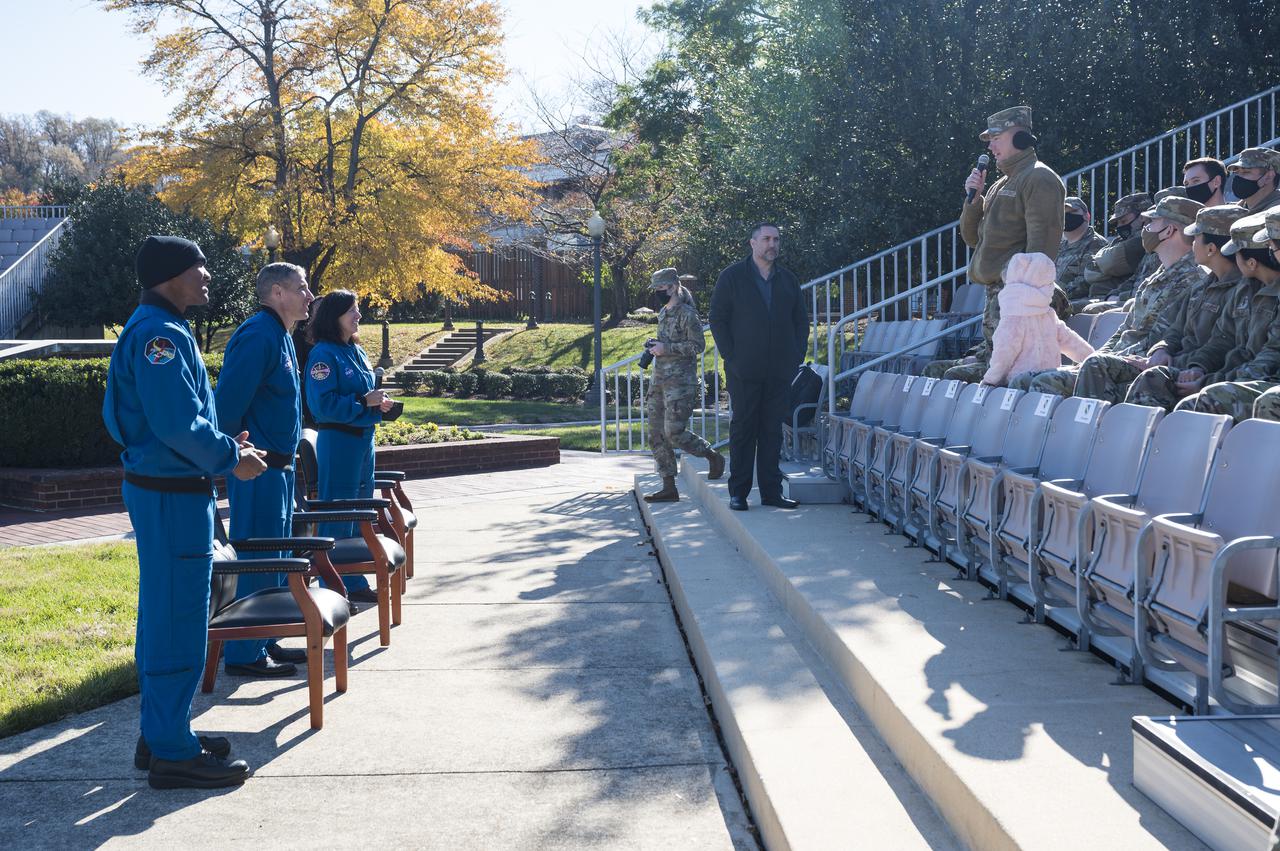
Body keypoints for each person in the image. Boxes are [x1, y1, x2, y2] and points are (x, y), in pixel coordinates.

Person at [103, 235, 266, 789]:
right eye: (199, 267)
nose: (206, 276)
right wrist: (229, 457)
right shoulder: (160, 336)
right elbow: (175, 424)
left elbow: (175, 419)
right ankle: (173, 751)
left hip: (165, 488)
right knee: (178, 619)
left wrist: (223, 443)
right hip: (172, 496)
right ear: (172, 274)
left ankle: (161, 731)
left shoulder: (157, 328)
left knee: (162, 614)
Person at [214, 262, 315, 677]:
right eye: (302, 288)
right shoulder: (258, 334)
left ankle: (264, 637)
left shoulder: (281, 335)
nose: (309, 296)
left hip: (280, 472)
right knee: (256, 558)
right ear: (277, 292)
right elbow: (227, 406)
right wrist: (233, 458)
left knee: (274, 558)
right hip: (257, 471)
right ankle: (243, 652)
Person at [1022, 195, 1204, 397]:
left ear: (1169, 230)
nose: (1145, 228)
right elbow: (1125, 329)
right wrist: (1099, 356)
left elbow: (1161, 338)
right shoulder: (1156, 276)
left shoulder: (1193, 278)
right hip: (1113, 363)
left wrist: (1100, 362)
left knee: (1046, 384)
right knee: (1023, 379)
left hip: (1140, 371)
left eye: (1151, 222)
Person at [948, 105, 1065, 383]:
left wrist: (1024, 296)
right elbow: (974, 239)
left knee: (1010, 375)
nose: (991, 147)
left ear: (1019, 137)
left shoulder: (1039, 177)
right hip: (999, 293)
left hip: (1016, 294)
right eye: (989, 142)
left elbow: (1041, 249)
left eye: (996, 139)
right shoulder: (1000, 184)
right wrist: (974, 200)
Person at [709, 222, 809, 511]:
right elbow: (717, 318)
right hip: (744, 369)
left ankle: (771, 492)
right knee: (743, 430)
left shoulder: (787, 279)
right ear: (752, 243)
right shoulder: (732, 277)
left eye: (776, 239)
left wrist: (796, 355)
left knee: (772, 432)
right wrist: (732, 356)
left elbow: (800, 320)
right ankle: (738, 493)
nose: (772, 244)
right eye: (766, 239)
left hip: (780, 370)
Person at [304, 290, 394, 602]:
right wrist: (361, 401)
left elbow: (367, 391)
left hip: (363, 441)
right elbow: (322, 405)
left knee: (359, 511)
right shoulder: (323, 355)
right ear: (335, 317)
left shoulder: (356, 351)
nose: (358, 316)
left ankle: (354, 583)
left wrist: (378, 402)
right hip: (339, 443)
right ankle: (333, 586)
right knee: (339, 513)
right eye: (352, 311)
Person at [1123, 204, 1248, 409]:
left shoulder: (1240, 290)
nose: (1191, 243)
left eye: (1196, 237)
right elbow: (1173, 326)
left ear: (1211, 248)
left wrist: (1192, 366)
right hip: (1178, 364)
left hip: (1199, 370)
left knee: (1151, 378)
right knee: (1101, 365)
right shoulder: (1202, 285)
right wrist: (1162, 349)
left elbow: (1223, 343)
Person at [1171, 210, 1280, 421]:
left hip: (1262, 380)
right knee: (1158, 380)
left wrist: (1208, 382)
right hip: (1239, 376)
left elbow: (1271, 356)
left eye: (1273, 246)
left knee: (1204, 401)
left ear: (1251, 263)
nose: (1272, 252)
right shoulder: (1244, 288)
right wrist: (1198, 368)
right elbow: (1223, 338)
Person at [641, 268, 726, 503]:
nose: (658, 293)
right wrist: (655, 346)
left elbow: (697, 345)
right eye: (656, 290)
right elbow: (668, 343)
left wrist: (666, 348)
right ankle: (669, 487)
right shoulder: (663, 313)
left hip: (680, 383)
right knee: (656, 435)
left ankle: (711, 455)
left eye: (662, 289)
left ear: (674, 287)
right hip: (659, 381)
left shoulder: (688, 314)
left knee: (673, 433)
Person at [980, 252, 1093, 387]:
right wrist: (1092, 358)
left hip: (1020, 386)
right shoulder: (1047, 314)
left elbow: (1003, 354)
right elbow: (1070, 341)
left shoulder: (1013, 315)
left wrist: (991, 380)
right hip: (1048, 381)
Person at [1056, 196, 1108, 301]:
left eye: (1073, 212)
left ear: (1087, 216)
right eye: (1063, 213)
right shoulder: (1059, 246)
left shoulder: (1096, 244)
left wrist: (1051, 295)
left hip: (1075, 302)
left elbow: (1085, 283)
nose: (1067, 216)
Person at [1226, 147, 1280, 212]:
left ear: (1269, 177)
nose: (1239, 177)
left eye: (1246, 172)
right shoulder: (1234, 211)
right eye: (1237, 172)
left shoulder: (1276, 211)